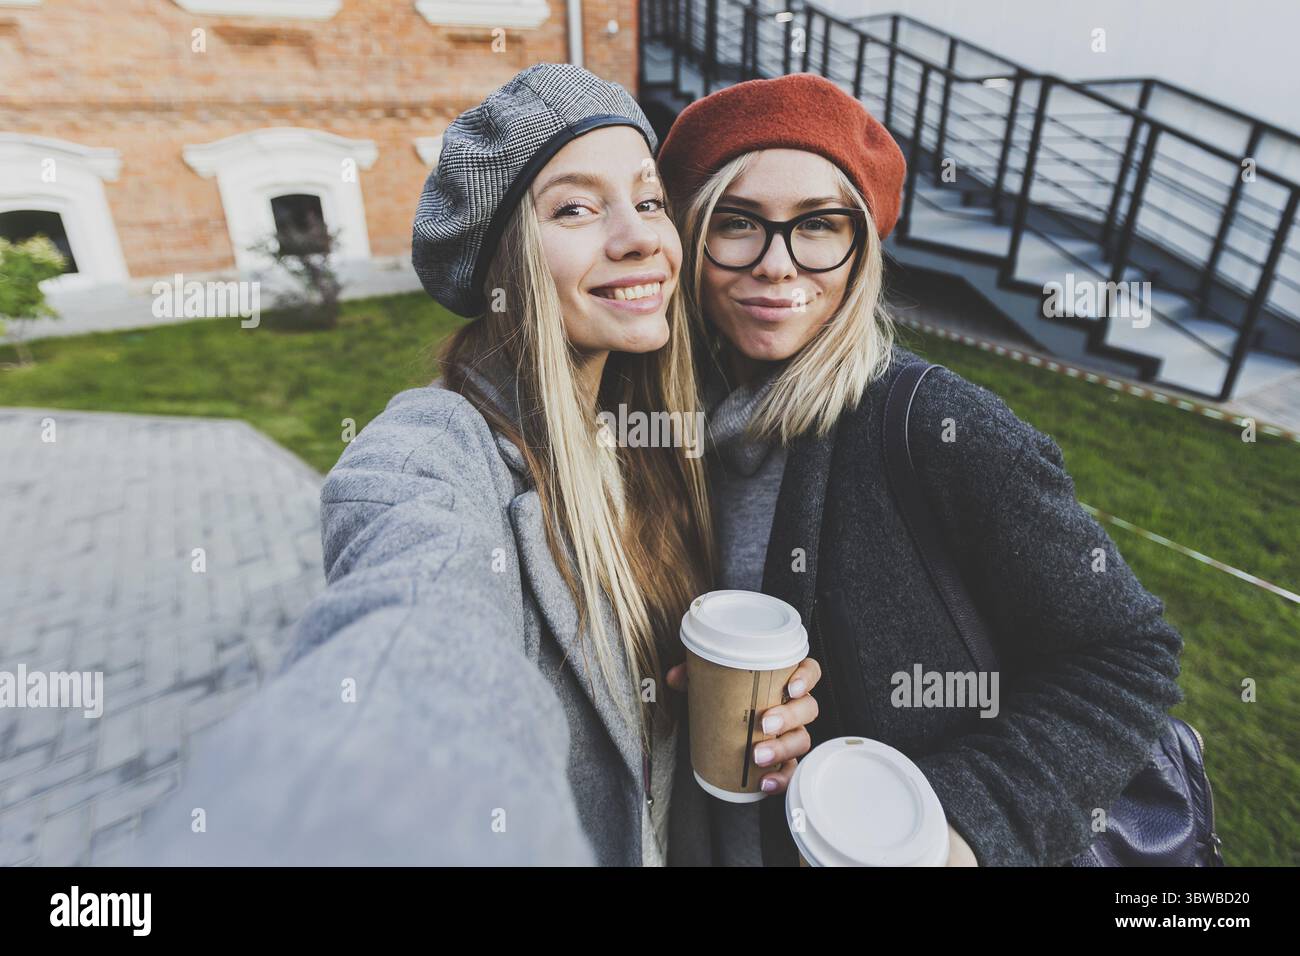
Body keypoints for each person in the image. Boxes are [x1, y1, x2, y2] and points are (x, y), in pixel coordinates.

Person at [126, 63, 821, 867]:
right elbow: (417, 636)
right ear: (504, 262)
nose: (640, 237)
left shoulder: (661, 433)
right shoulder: (429, 452)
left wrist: (734, 708)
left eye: (649, 199)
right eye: (575, 208)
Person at [656, 73, 1186, 867]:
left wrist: (960, 825)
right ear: (694, 244)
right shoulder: (668, 429)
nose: (776, 263)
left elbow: (1127, 654)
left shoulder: (941, 430)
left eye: (819, 226)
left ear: (861, 249)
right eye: (738, 224)